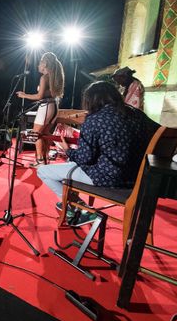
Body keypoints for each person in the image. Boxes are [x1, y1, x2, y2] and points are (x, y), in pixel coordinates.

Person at [36, 81, 159, 226]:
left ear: (91, 100)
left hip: (109, 178)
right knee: (71, 165)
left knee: (43, 171)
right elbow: (158, 133)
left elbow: (85, 159)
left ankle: (77, 208)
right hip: (140, 178)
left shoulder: (95, 119)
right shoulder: (138, 115)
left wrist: (68, 150)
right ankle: (73, 202)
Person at [17, 52, 65, 167]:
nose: (38, 65)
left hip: (45, 107)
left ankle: (39, 161)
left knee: (35, 134)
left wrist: (24, 95)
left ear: (45, 64)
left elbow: (39, 96)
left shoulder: (44, 78)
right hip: (54, 107)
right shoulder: (54, 77)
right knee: (45, 134)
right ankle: (45, 158)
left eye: (40, 62)